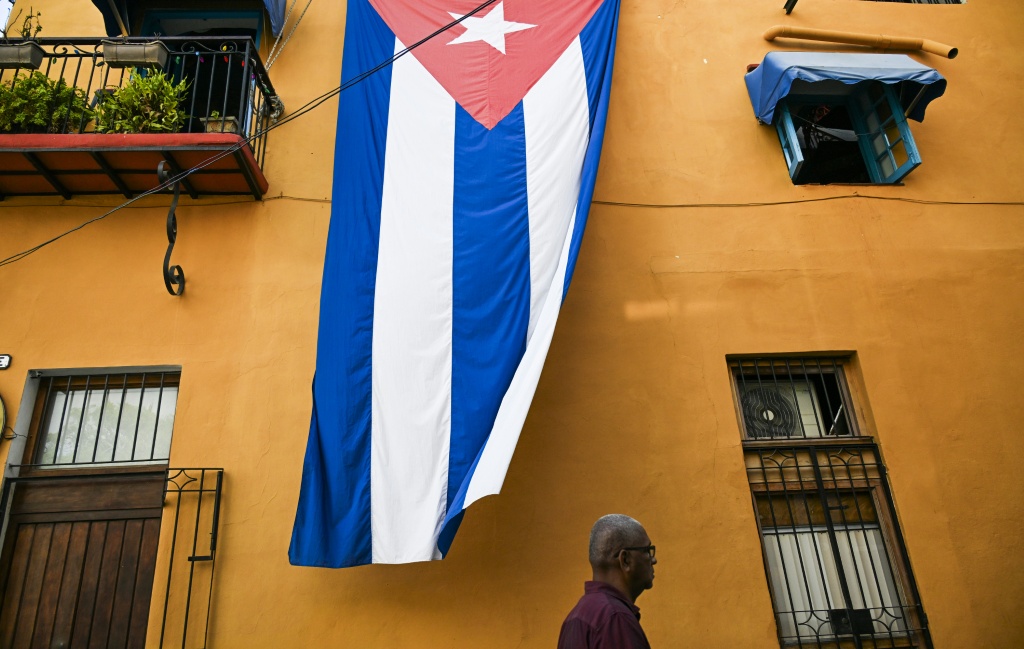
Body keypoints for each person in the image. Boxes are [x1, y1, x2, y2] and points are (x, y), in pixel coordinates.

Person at [557, 514, 657, 649]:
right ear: (625, 560)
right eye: (647, 551)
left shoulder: (575, 617)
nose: (653, 560)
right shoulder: (615, 618)